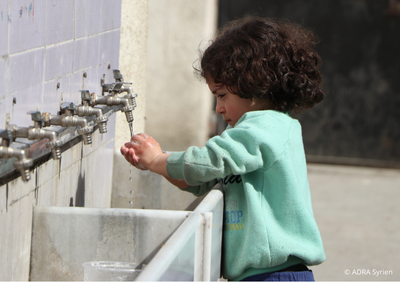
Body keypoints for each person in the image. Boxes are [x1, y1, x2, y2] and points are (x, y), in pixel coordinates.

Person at [120, 17, 326, 281]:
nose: (218, 109)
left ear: (252, 83)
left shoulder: (267, 127)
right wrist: (154, 165)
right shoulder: (246, 132)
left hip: (274, 276)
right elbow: (203, 178)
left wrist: (159, 159)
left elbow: (207, 162)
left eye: (221, 95)